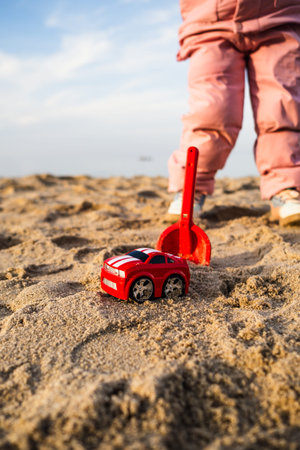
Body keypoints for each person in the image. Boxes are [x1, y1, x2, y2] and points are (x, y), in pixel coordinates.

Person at [167, 0, 300, 226]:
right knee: (211, 110)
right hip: (210, 18)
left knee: (282, 105)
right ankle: (191, 188)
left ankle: (285, 186)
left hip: (279, 15)